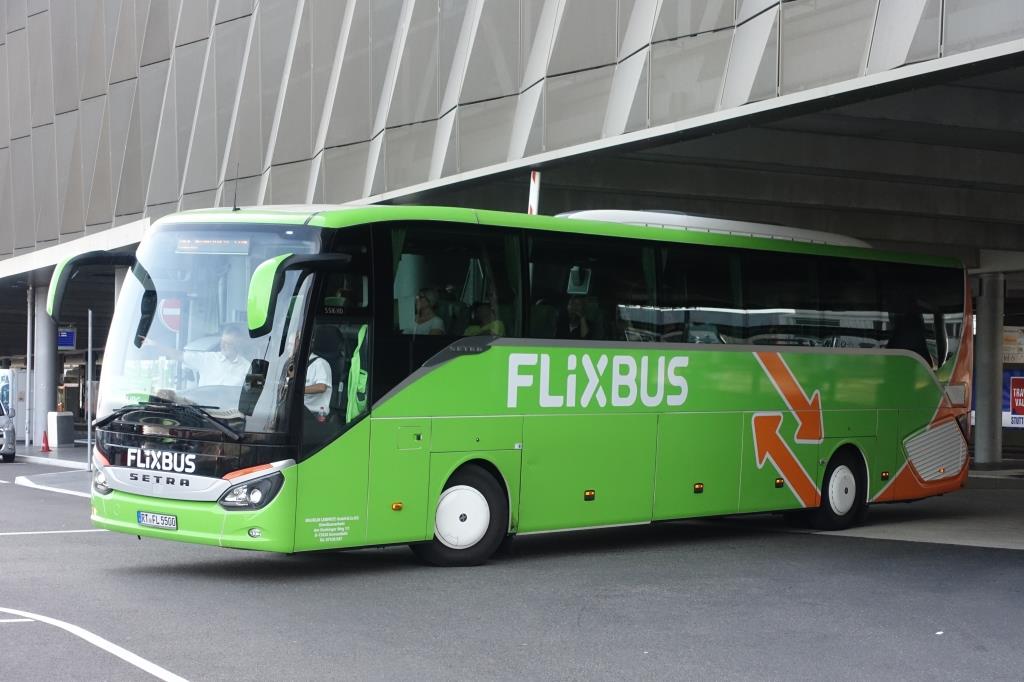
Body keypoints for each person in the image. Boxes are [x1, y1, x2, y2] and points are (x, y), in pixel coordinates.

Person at [182, 324, 251, 387]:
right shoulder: (208, 359)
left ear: (236, 345)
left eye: (227, 343)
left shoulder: (247, 367)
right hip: (204, 400)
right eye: (222, 342)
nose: (222, 346)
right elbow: (180, 356)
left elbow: (253, 393)